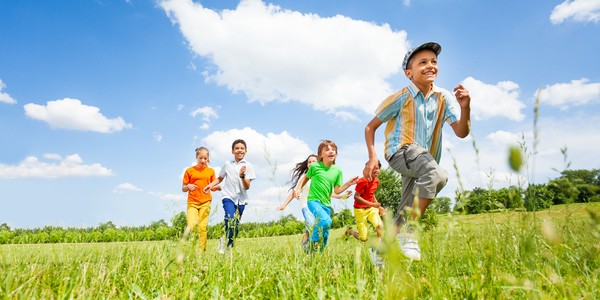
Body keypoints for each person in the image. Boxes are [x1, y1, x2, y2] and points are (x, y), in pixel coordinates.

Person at [363, 42, 471, 261]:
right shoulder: (401, 97)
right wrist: (372, 157)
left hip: (423, 162)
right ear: (409, 73)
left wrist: (465, 107)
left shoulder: (443, 98)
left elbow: (461, 132)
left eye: (434, 61)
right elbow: (370, 126)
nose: (430, 65)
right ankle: (409, 233)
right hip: (400, 152)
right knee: (438, 175)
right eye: (423, 62)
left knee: (405, 209)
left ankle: (380, 252)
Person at [276, 154, 352, 250]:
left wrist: (342, 196)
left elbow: (330, 193)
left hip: (320, 206)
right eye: (309, 162)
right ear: (307, 165)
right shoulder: (304, 178)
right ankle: (307, 248)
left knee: (320, 227)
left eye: (313, 161)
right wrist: (284, 205)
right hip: (306, 206)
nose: (311, 163)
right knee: (312, 225)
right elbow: (294, 192)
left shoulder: (321, 177)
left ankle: (314, 246)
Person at [294, 140, 358, 252]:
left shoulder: (337, 170)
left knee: (325, 230)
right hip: (313, 201)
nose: (331, 151)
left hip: (326, 204)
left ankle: (318, 254)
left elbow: (337, 190)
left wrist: (348, 184)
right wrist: (298, 189)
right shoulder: (315, 167)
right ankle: (310, 244)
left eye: (333, 150)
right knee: (326, 221)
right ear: (320, 155)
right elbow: (305, 178)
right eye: (327, 149)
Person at [204, 139, 256, 253]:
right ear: (233, 151)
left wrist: (242, 176)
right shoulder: (227, 164)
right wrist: (210, 185)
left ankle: (228, 245)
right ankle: (225, 243)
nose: (239, 150)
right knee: (230, 218)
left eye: (242, 148)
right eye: (237, 148)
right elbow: (220, 178)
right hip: (228, 196)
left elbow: (247, 187)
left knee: (235, 226)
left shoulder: (249, 166)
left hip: (241, 200)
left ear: (246, 151)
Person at [182, 147, 217, 252]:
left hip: (205, 202)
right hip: (192, 202)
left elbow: (212, 186)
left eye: (205, 158)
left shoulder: (210, 171)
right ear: (196, 157)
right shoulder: (189, 171)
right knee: (192, 226)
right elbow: (183, 188)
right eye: (200, 158)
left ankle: (201, 251)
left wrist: (217, 187)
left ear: (208, 158)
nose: (203, 160)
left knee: (202, 227)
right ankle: (193, 247)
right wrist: (188, 186)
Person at [345, 160, 384, 243]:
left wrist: (379, 207)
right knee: (363, 238)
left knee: (379, 225)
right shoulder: (363, 181)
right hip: (360, 210)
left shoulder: (376, 181)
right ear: (368, 169)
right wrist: (372, 204)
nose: (377, 170)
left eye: (378, 168)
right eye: (374, 168)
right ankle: (350, 231)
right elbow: (356, 197)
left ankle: (380, 247)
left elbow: (371, 194)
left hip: (371, 209)